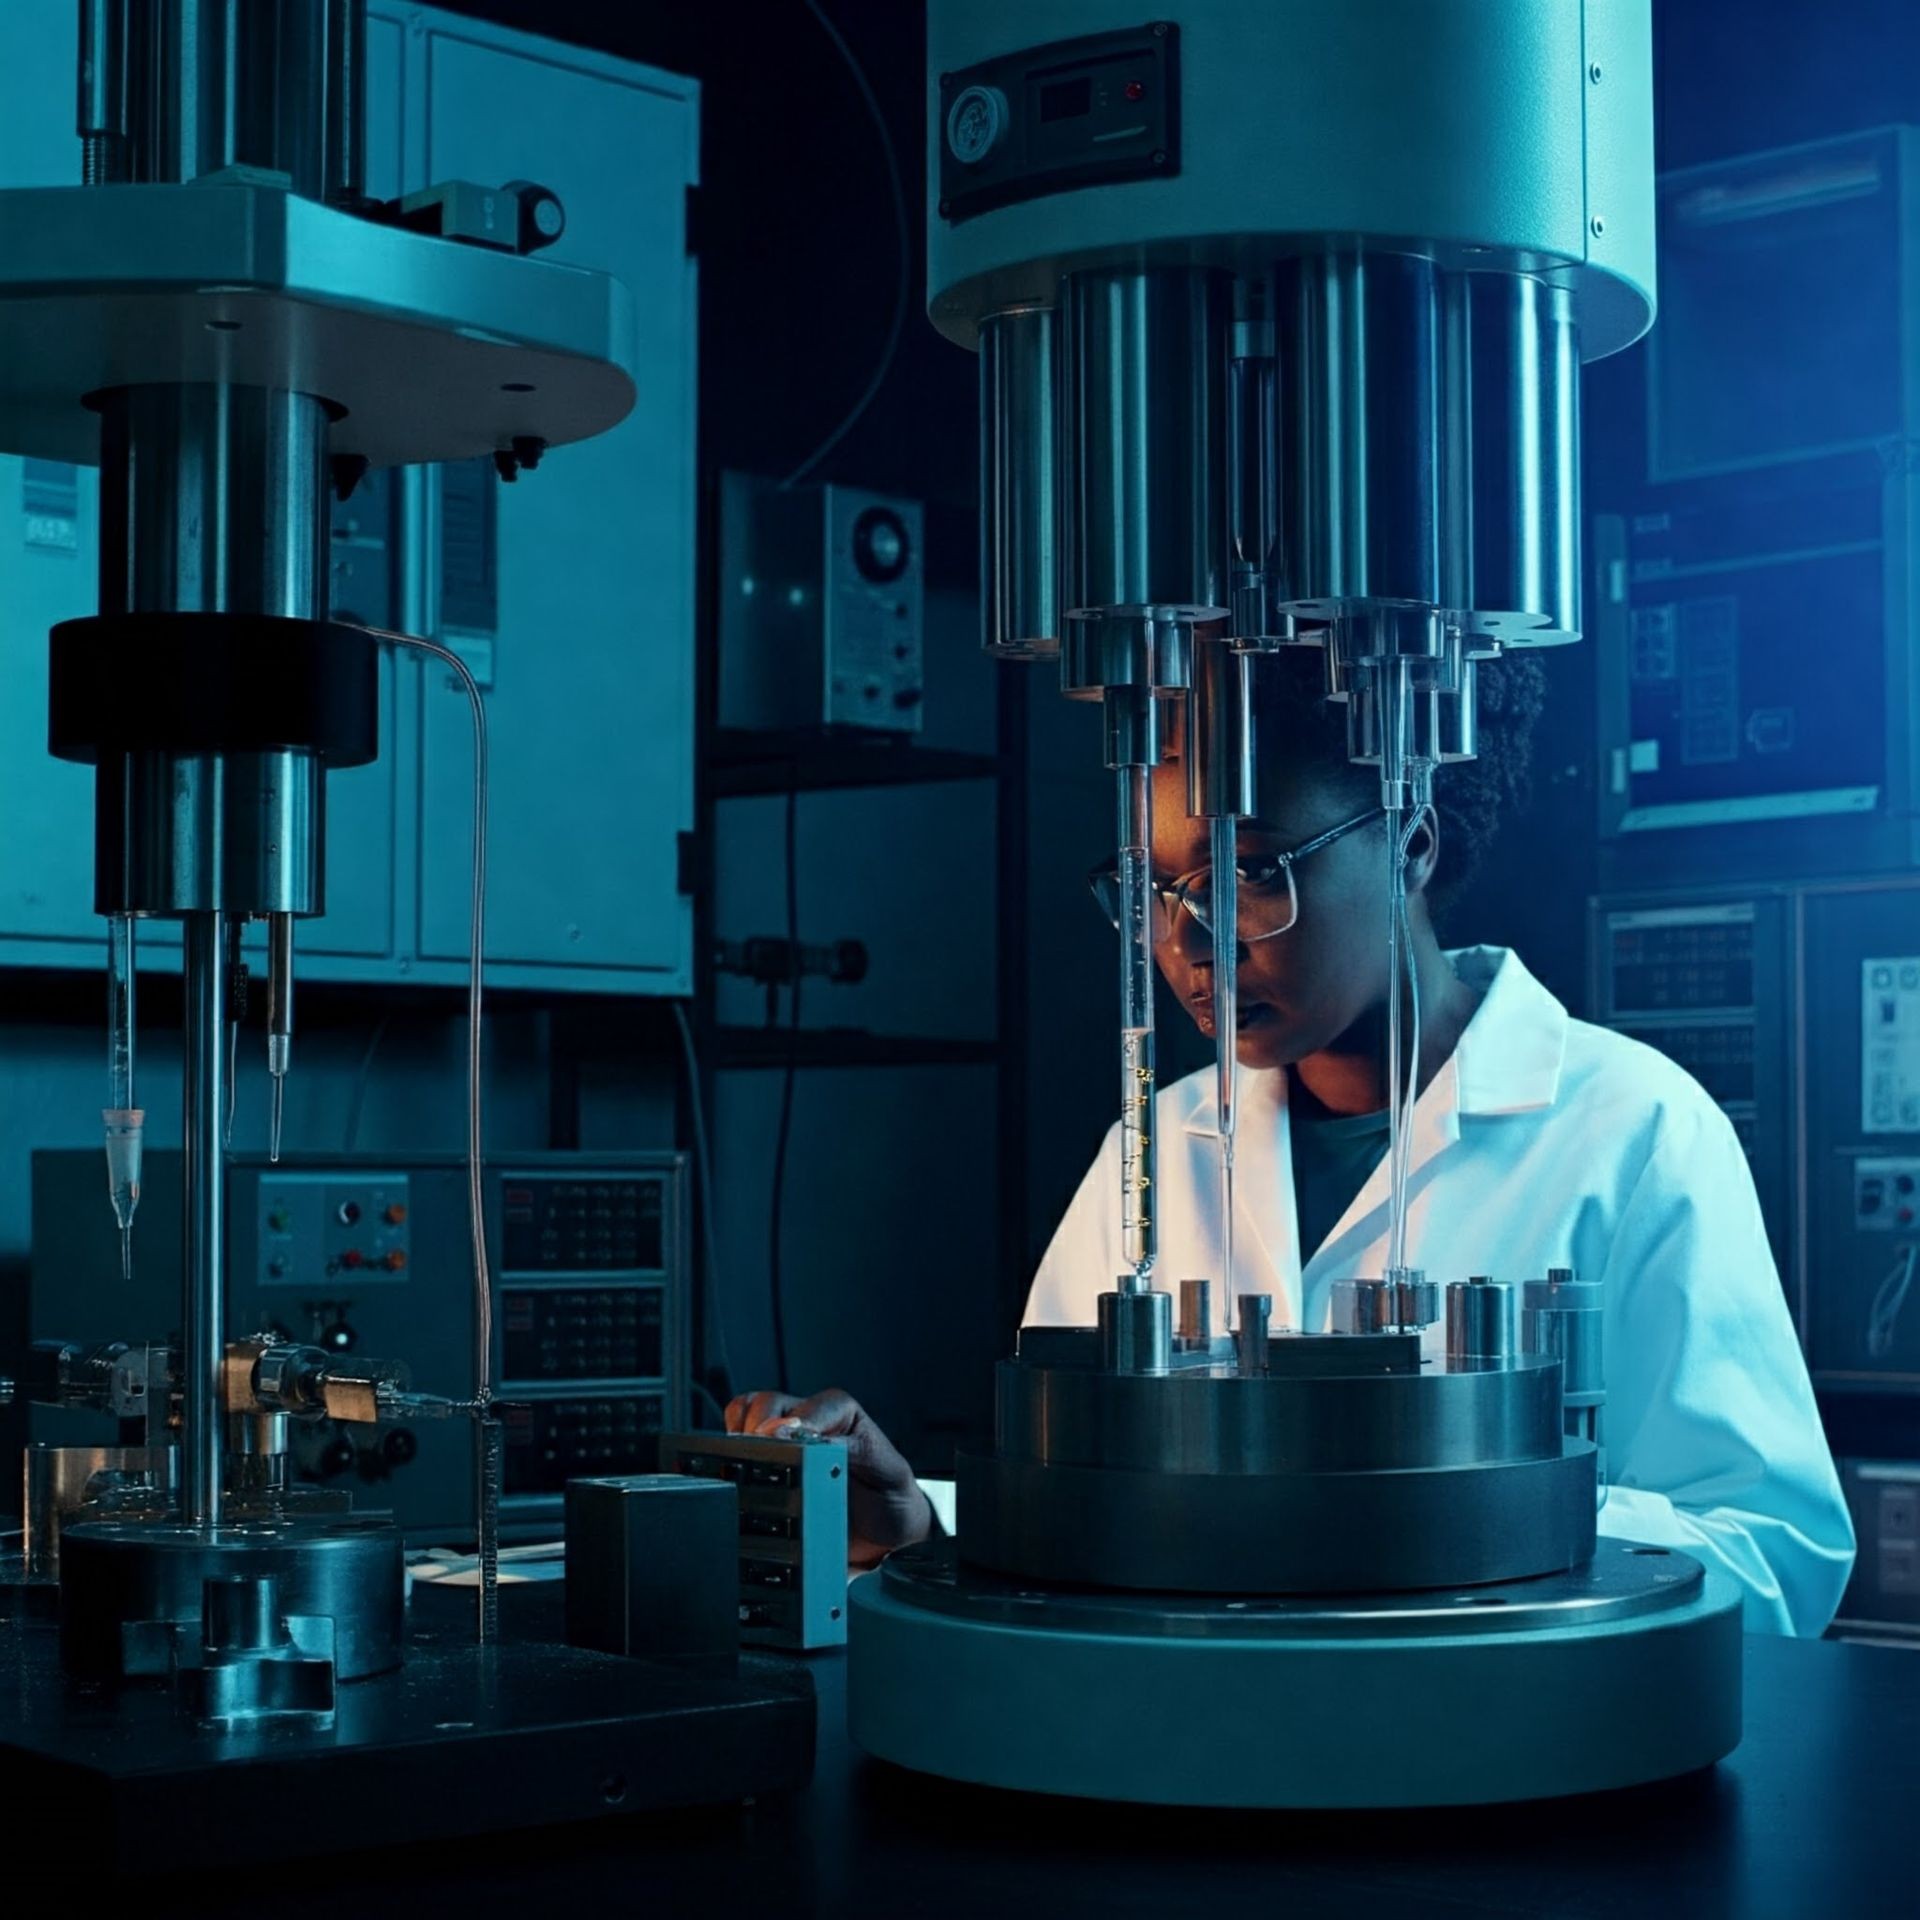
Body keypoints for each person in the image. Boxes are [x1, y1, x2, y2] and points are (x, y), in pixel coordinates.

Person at [730, 651, 1856, 1633]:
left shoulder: (1634, 1133)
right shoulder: (1163, 1145)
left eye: (1250, 872)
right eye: (1158, 889)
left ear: (1411, 842)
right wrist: (919, 1522)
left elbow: (1777, 1560)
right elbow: (1078, 1503)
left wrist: (1484, 1512)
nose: (1192, 942)